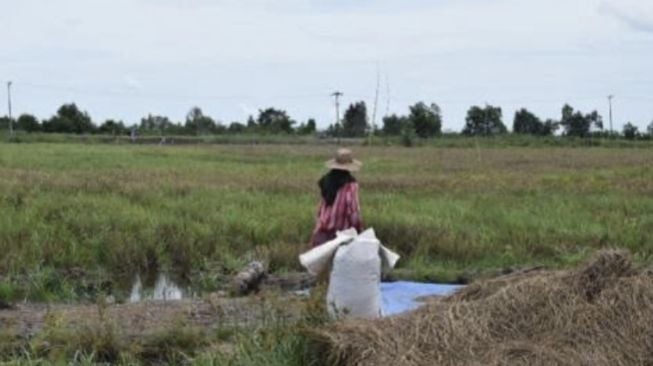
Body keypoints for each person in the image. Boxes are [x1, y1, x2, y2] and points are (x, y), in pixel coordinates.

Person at [310, 148, 363, 247]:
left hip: (323, 230)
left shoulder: (326, 180)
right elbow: (353, 210)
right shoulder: (350, 184)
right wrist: (358, 229)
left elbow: (322, 206)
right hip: (341, 233)